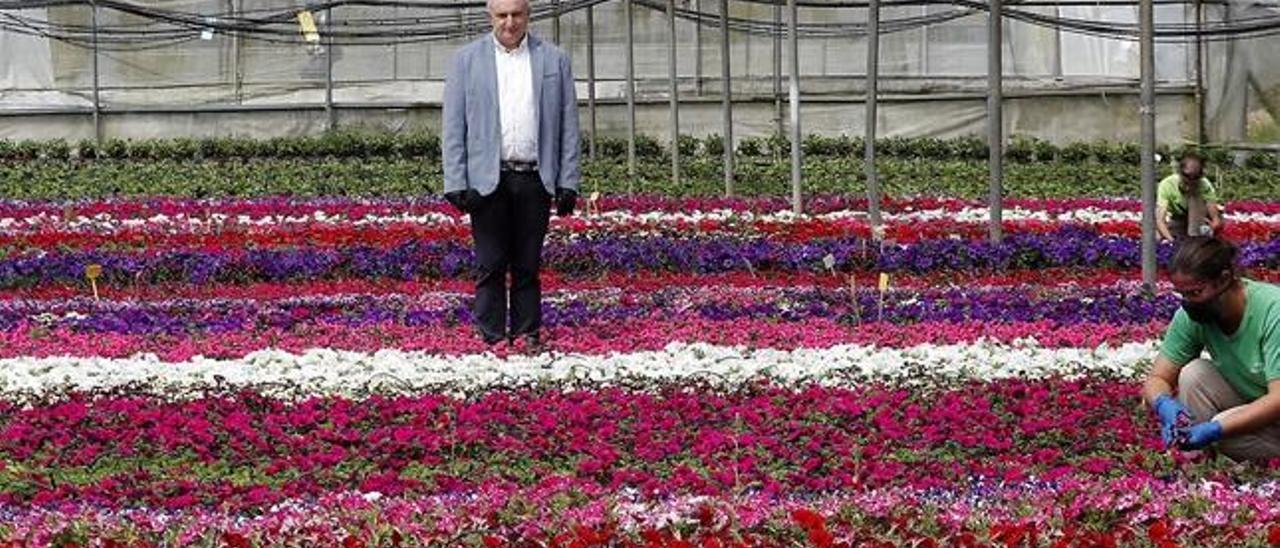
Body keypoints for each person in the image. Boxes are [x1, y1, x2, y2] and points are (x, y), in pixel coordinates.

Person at [441, 0, 580, 346]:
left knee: (527, 264)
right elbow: (453, 125)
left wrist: (568, 181)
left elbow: (569, 127)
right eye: (502, 15)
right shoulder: (467, 60)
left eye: (516, 14)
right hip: (488, 180)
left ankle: (527, 333)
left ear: (527, 16)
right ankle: (491, 336)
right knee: (489, 263)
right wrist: (455, 181)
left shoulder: (554, 60)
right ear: (490, 16)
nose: (509, 22)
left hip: (535, 177)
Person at [1141, 236, 1280, 461]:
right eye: (1182, 294)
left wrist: (1218, 428)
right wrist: (1162, 403)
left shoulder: (1273, 310)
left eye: (1196, 292)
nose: (1188, 301)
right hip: (1260, 409)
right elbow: (1157, 378)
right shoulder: (1191, 316)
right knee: (1194, 373)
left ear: (1225, 278)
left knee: (1222, 431)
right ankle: (1194, 463)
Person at [1156, 152, 1224, 242]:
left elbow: (1215, 219)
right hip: (1176, 220)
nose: (1191, 180)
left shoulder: (1204, 185)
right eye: (1187, 176)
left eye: (1196, 177)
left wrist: (1209, 230)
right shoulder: (1167, 185)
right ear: (1180, 172)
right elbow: (1160, 220)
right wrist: (1171, 241)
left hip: (1199, 218)